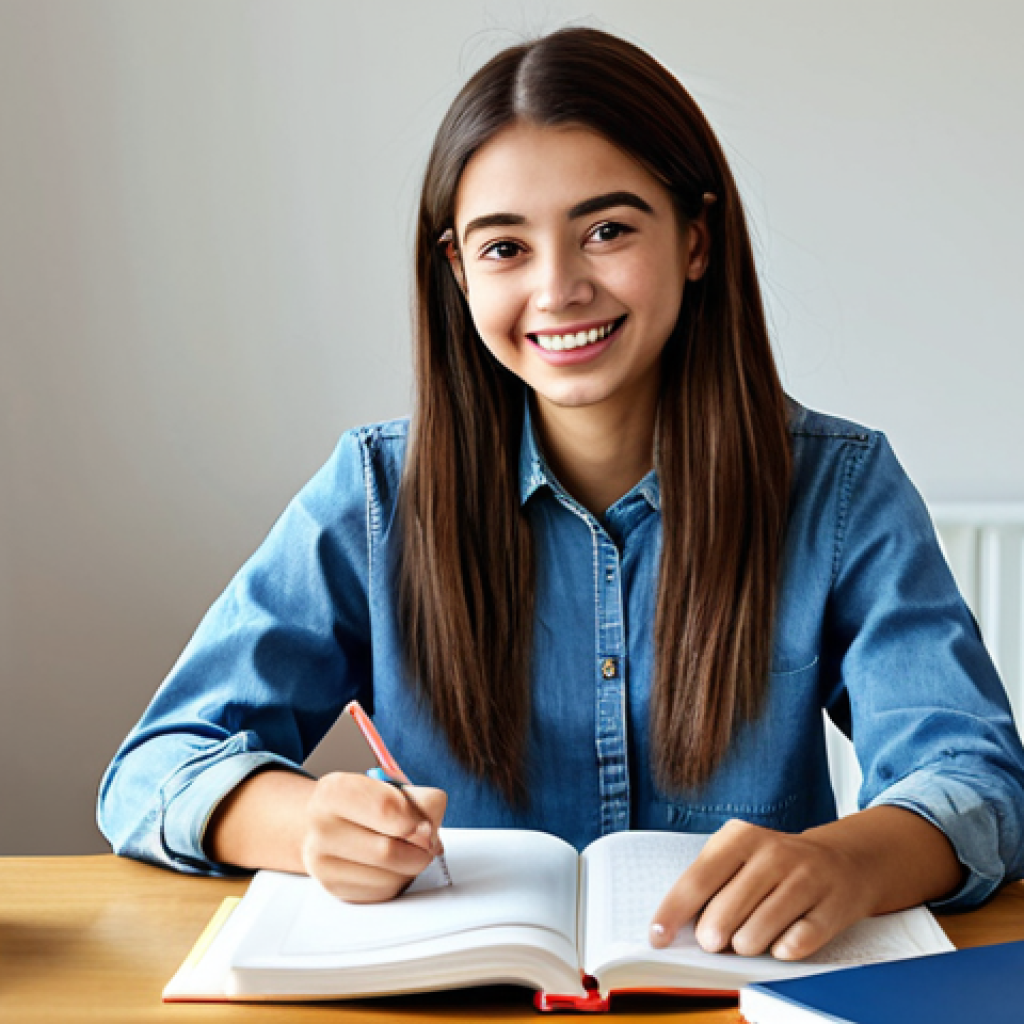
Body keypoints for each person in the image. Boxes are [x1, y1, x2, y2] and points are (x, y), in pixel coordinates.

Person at [98, 26, 1024, 963]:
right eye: (505, 248)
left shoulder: (839, 487)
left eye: (608, 231)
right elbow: (154, 769)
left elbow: (977, 778)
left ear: (696, 241)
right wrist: (305, 824)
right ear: (457, 272)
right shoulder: (378, 492)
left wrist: (853, 861)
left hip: (743, 995)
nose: (560, 288)